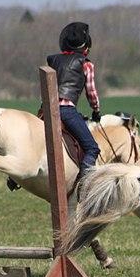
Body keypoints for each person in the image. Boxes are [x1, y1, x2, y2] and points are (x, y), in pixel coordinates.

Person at [46, 22, 101, 180]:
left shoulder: (53, 60)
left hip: (46, 110)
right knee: (92, 148)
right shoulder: (86, 64)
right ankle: (84, 179)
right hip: (66, 111)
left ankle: (13, 178)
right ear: (85, 48)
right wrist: (96, 110)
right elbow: (91, 93)